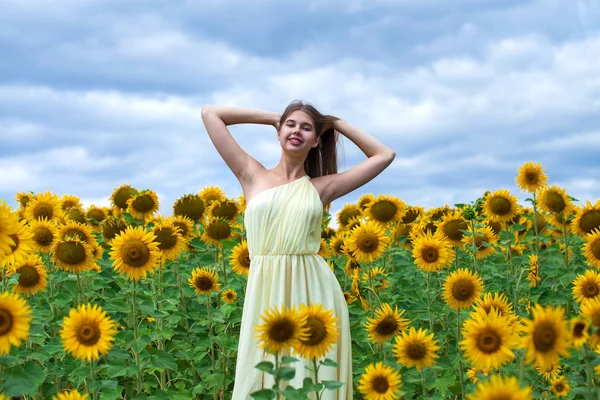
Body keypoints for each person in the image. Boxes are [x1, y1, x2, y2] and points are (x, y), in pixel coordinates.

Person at [201, 100, 396, 399]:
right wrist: (273, 118)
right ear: (279, 133)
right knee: (260, 373)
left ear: (316, 140)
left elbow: (384, 155)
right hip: (265, 287)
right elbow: (210, 114)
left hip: (313, 291)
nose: (297, 131)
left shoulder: (321, 188)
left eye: (307, 128)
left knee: (309, 377)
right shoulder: (251, 173)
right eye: (291, 125)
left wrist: (336, 123)